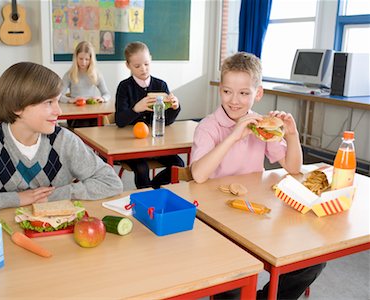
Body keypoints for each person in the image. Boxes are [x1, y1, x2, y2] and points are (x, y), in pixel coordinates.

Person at [190, 52, 325, 300]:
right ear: (220, 90)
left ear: (257, 94)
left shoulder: (261, 125)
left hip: (256, 213)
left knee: (314, 259)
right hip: (217, 221)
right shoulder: (208, 127)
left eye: (244, 93)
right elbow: (198, 175)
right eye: (228, 91)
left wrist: (292, 135)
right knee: (232, 282)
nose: (234, 101)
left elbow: (293, 168)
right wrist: (233, 136)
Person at [0, 62, 123, 220]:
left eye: (57, 101)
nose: (59, 111)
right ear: (17, 107)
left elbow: (111, 182)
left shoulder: (64, 140)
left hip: (56, 235)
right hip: (5, 236)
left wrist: (52, 196)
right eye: (49, 103)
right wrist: (17, 199)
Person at [115, 41, 184, 189]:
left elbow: (167, 121)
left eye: (146, 64)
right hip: (132, 146)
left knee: (179, 164)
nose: (143, 69)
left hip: (157, 143)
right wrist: (136, 109)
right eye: (137, 66)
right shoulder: (124, 87)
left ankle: (153, 189)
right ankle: (146, 198)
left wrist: (174, 107)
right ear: (128, 65)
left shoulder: (160, 85)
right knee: (141, 168)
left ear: (151, 59)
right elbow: (120, 121)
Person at [60, 41, 111, 127]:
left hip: (92, 113)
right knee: (84, 124)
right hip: (75, 115)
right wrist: (70, 100)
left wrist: (102, 98)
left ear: (91, 60)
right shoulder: (70, 74)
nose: (83, 62)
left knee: (97, 124)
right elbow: (58, 95)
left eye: (87, 59)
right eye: (80, 58)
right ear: (76, 57)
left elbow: (107, 94)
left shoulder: (96, 74)